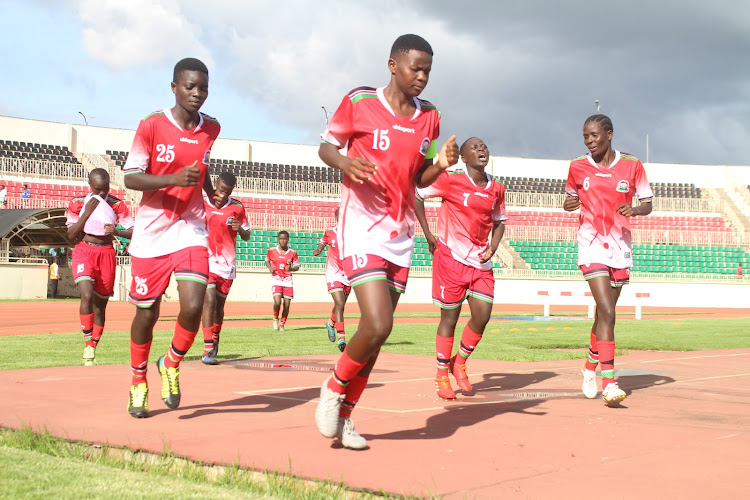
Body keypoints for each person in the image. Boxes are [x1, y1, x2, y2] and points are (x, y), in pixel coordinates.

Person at [314, 33, 459, 449]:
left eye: (428, 70)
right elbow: (326, 147)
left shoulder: (430, 116)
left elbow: (419, 178)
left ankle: (345, 418)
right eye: (416, 68)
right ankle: (331, 388)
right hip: (359, 226)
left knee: (375, 338)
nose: (422, 77)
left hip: (400, 235)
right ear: (393, 65)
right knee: (378, 323)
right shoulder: (360, 101)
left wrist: (442, 165)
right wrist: (344, 161)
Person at [122, 57, 221, 418]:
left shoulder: (212, 127)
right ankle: (138, 381)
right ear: (175, 87)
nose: (197, 94)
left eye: (204, 88)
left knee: (195, 304)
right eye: (190, 86)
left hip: (190, 227)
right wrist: (173, 179)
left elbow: (202, 166)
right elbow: (131, 178)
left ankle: (171, 363)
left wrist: (210, 192)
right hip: (151, 231)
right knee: (147, 313)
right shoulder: (151, 125)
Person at [564, 114, 653, 407]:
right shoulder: (577, 166)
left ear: (609, 134)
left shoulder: (632, 165)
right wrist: (569, 204)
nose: (589, 141)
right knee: (606, 310)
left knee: (605, 314)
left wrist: (636, 211)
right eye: (585, 136)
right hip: (590, 246)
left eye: (594, 135)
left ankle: (589, 368)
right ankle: (609, 382)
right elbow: (569, 198)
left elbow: (648, 203)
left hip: (620, 247)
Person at [415, 137, 507, 400]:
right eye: (474, 148)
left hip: (481, 263)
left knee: (482, 316)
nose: (481, 150)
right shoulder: (450, 179)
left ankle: (460, 362)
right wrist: (427, 233)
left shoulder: (497, 188)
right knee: (449, 320)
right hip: (450, 260)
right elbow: (417, 195)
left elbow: (499, 221)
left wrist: (494, 246)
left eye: (484, 146)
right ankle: (442, 376)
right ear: (463, 157)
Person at [66, 168, 134, 366]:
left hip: (106, 253)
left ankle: (93, 345)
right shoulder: (78, 203)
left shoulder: (117, 205)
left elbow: (134, 232)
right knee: (86, 294)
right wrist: (86, 214)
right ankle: (87, 342)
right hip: (84, 251)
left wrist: (118, 231)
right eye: (97, 190)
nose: (102, 194)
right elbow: (71, 236)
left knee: (100, 305)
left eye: (105, 189)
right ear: (90, 186)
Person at [200, 171, 250, 365]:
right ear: (215, 185)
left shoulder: (237, 207)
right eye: (221, 190)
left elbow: (247, 235)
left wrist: (241, 229)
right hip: (207, 261)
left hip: (227, 265)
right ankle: (207, 349)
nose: (223, 195)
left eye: (227, 192)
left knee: (219, 308)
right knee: (209, 301)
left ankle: (216, 335)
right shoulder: (202, 203)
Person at [313, 208, 350, 352]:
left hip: (348, 274)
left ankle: (330, 323)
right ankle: (342, 338)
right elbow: (323, 241)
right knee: (340, 302)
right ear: (336, 217)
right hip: (333, 272)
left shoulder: (354, 233)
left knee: (340, 305)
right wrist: (319, 249)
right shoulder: (330, 231)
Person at [265, 230, 300, 332]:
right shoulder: (272, 250)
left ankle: (282, 323)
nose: (282, 241)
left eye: (284, 239)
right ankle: (275, 318)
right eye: (280, 239)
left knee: (287, 304)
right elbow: (267, 260)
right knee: (277, 301)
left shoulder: (293, 253)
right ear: (278, 239)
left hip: (287, 280)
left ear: (288, 239)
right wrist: (270, 268)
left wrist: (291, 269)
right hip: (276, 279)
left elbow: (297, 266)